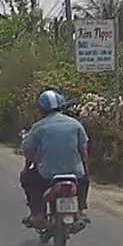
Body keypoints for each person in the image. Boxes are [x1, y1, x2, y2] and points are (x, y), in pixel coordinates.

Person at [19, 90, 90, 229]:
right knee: (85, 179)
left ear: (41, 109)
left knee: (28, 179)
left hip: (47, 175)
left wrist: (27, 167)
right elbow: (83, 150)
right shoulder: (76, 125)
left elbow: (29, 151)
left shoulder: (39, 127)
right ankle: (81, 210)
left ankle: (38, 213)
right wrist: (85, 169)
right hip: (75, 173)